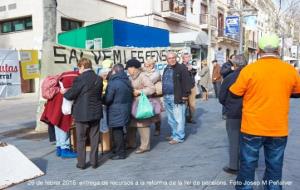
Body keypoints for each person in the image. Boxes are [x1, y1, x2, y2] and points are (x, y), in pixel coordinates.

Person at [229, 34, 300, 190]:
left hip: (252, 127)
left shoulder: (249, 70)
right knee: (275, 167)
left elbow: (234, 93)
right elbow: (297, 92)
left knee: (247, 165)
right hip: (278, 128)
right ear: (278, 49)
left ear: (259, 50)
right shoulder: (290, 70)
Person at [64, 58, 103, 169]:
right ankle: (94, 162)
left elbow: (70, 95)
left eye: (78, 67)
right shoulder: (98, 78)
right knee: (94, 137)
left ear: (82, 66)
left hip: (82, 113)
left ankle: (81, 163)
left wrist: (65, 92)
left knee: (81, 138)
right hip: (96, 112)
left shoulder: (80, 79)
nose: (78, 70)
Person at [218, 54, 247, 175]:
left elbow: (221, 97)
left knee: (234, 140)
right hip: (250, 113)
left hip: (234, 113)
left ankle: (234, 166)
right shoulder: (252, 76)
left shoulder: (230, 78)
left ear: (234, 65)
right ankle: (250, 162)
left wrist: (229, 105)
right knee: (249, 140)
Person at [41, 70, 79, 159]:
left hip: (52, 109)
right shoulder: (65, 89)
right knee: (63, 125)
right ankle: (64, 149)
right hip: (61, 109)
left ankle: (59, 147)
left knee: (57, 125)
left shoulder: (58, 85)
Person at [126, 59, 157, 154]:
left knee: (143, 125)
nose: (127, 70)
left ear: (134, 68)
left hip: (141, 104)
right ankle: (131, 143)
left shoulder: (143, 76)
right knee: (131, 125)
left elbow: (152, 89)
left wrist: (139, 92)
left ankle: (145, 146)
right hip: (132, 104)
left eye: (128, 68)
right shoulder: (130, 77)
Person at [104, 64, 133, 160]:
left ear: (114, 71)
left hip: (116, 110)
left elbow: (108, 99)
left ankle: (121, 153)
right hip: (125, 109)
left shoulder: (113, 83)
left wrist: (102, 99)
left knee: (117, 132)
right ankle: (119, 150)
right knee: (120, 131)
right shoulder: (127, 81)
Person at [162, 52, 191, 144]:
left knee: (179, 118)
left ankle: (179, 137)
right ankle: (174, 134)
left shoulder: (181, 68)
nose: (172, 59)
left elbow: (187, 82)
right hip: (167, 97)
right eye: (169, 58)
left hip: (177, 96)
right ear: (167, 60)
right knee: (171, 119)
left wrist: (185, 95)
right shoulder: (166, 68)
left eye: (173, 57)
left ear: (176, 58)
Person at [143, 58, 162, 136]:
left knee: (156, 113)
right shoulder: (143, 72)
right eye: (145, 65)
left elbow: (149, 81)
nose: (145, 66)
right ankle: (146, 127)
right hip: (146, 96)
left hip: (154, 96)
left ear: (151, 65)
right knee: (146, 112)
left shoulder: (156, 73)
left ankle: (157, 128)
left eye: (147, 65)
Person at [182, 53, 197, 124]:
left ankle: (191, 118)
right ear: (183, 58)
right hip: (184, 87)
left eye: (188, 57)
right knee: (184, 104)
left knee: (192, 104)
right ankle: (183, 118)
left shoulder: (191, 65)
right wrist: (186, 70)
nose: (187, 58)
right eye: (186, 57)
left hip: (192, 86)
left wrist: (192, 69)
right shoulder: (180, 66)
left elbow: (194, 73)